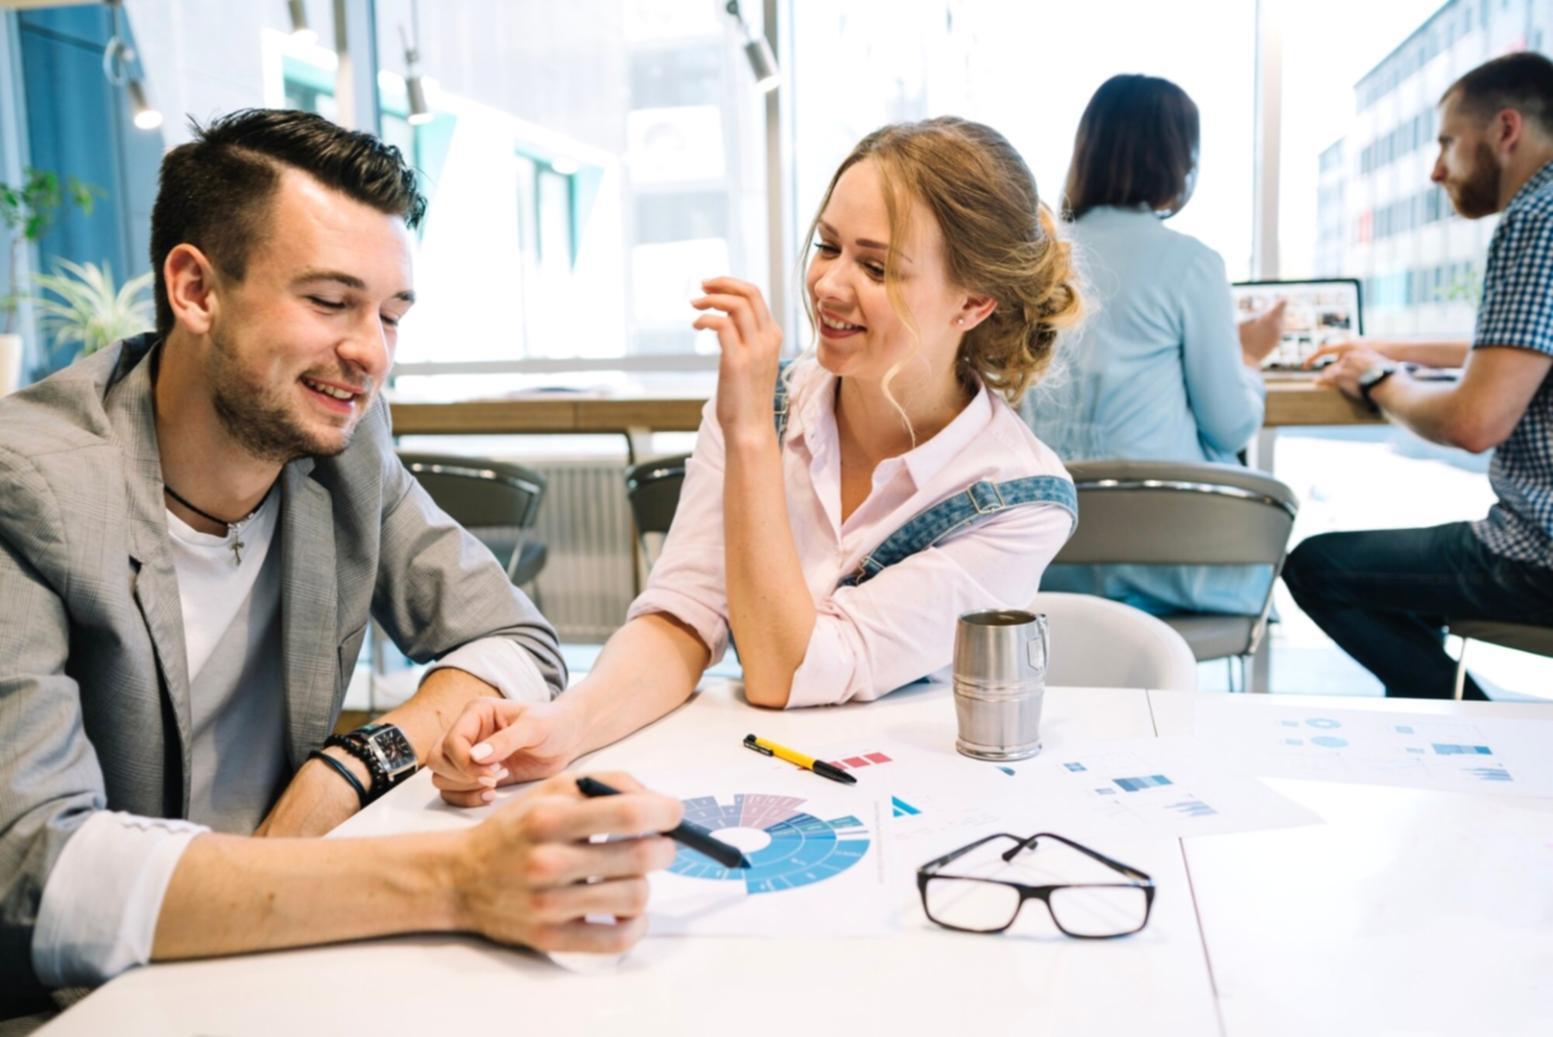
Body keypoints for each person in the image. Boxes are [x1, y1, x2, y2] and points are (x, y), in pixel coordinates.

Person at [0, 109, 681, 1003]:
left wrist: (354, 764)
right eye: (328, 302)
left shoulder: (341, 448)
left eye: (391, 314)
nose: (370, 354)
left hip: (276, 958)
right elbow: (36, 869)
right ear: (196, 289)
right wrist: (456, 878)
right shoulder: (28, 484)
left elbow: (516, 639)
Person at [428, 117, 1084, 806]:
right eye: (827, 246)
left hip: (919, 800)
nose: (829, 284)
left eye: (876, 267)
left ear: (972, 302)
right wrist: (565, 725)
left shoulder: (1018, 497)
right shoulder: (768, 400)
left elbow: (786, 671)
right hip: (756, 778)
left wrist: (747, 435)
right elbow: (683, 616)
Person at [1283, 51, 1553, 700]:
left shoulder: (1535, 218)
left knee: (1318, 568)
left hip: (1536, 557)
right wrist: (1387, 346)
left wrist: (1378, 378)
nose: (1436, 169)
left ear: (1505, 129)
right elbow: (1518, 347)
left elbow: (1473, 422)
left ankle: (1474, 730)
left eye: (1446, 143)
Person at [1023, 73, 1286, 617]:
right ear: (1178, 162)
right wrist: (1248, 358)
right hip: (1164, 560)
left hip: (1046, 558)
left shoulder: (1037, 259)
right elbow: (1230, 425)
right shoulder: (1192, 264)